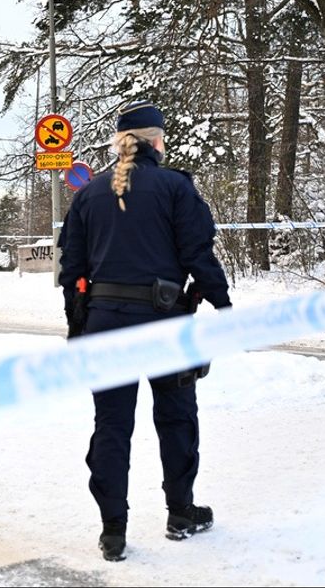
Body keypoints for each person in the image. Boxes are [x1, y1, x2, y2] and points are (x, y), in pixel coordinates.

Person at [58, 101, 232, 562]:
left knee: (111, 426)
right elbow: (198, 253)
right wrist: (223, 302)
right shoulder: (175, 187)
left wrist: (79, 327)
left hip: (105, 324)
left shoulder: (89, 194)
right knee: (176, 418)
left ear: (121, 142)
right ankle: (181, 512)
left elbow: (71, 270)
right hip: (165, 323)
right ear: (156, 141)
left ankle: (112, 530)